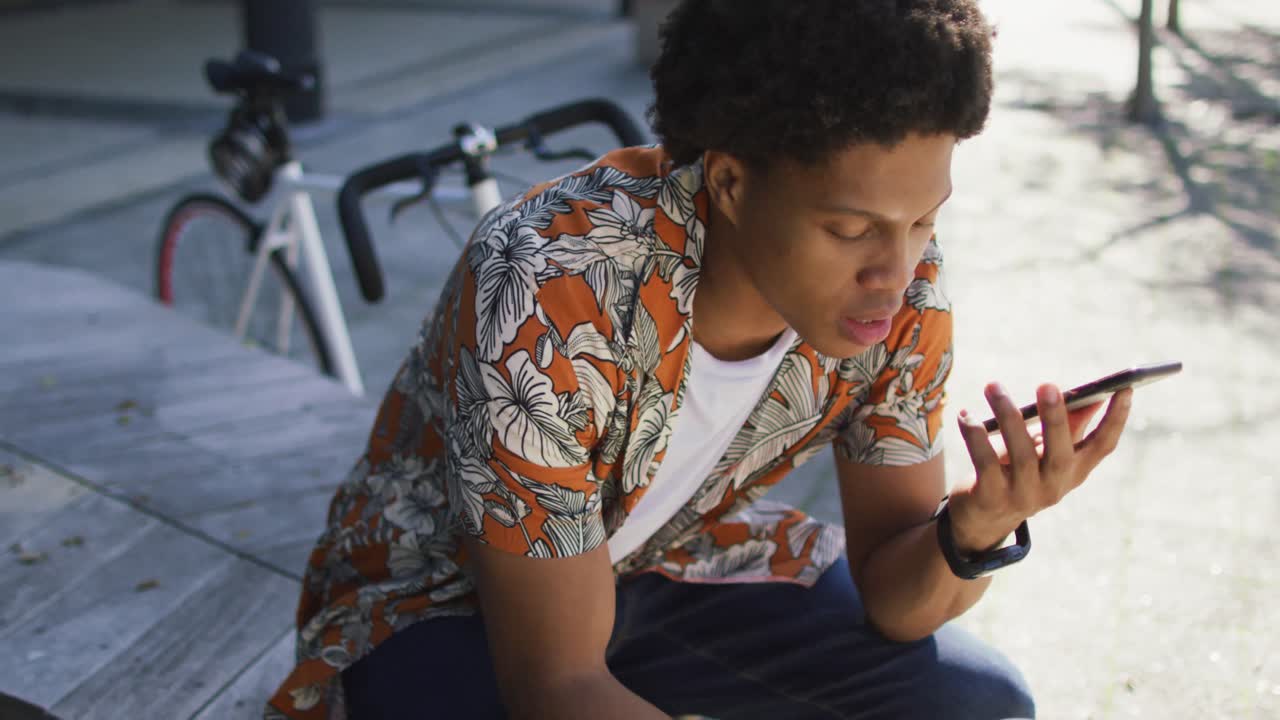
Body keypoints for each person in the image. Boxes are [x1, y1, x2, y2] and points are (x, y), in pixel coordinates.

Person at [267, 1, 1133, 718]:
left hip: (668, 559)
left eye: (922, 221)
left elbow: (895, 602)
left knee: (979, 705)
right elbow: (558, 682)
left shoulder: (904, 296)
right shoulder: (551, 286)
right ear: (728, 182)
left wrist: (974, 527)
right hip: (444, 601)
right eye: (849, 228)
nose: (895, 272)